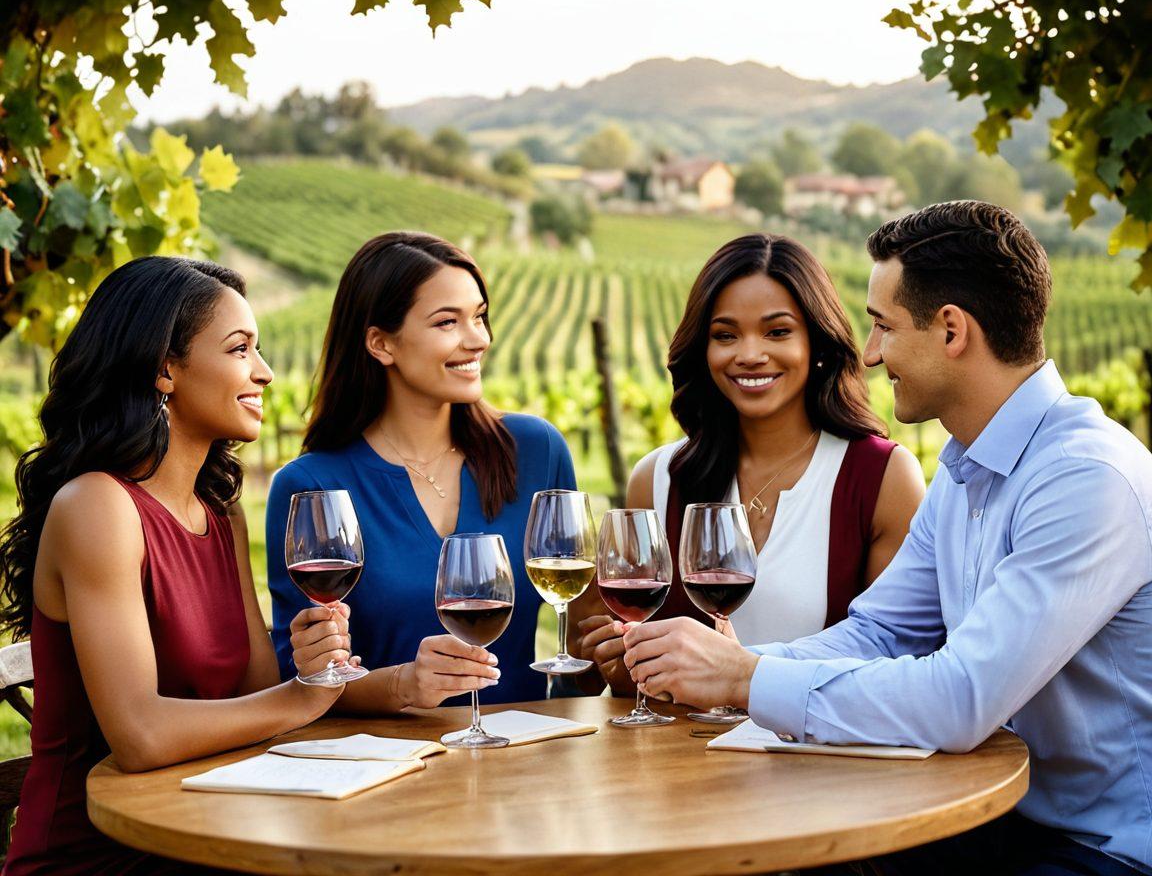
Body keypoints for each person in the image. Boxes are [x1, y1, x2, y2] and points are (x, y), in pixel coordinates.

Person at [621, 202, 1152, 875]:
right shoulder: (966, 470)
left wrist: (747, 677)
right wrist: (730, 670)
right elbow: (878, 632)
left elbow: (962, 698)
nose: (870, 354)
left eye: (883, 327)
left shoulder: (1084, 479)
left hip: (1101, 848)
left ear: (952, 330)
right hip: (995, 814)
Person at [0, 257, 353, 875]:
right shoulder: (97, 506)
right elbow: (140, 737)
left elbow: (252, 693)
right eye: (240, 349)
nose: (264, 373)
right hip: (99, 859)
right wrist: (301, 698)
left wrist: (308, 664)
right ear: (165, 368)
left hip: (214, 836)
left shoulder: (220, 514)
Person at [572, 234, 924, 696]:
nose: (750, 354)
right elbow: (614, 674)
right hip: (680, 765)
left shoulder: (881, 478)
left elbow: (896, 659)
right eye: (725, 335)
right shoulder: (657, 480)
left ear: (816, 342)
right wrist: (620, 669)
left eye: (777, 332)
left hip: (819, 761)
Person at [266, 231, 577, 711]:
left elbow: (581, 635)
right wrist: (402, 684)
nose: (478, 340)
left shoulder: (536, 451)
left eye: (480, 317)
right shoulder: (309, 487)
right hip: (386, 769)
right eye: (447, 322)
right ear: (381, 343)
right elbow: (301, 678)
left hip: (524, 759)